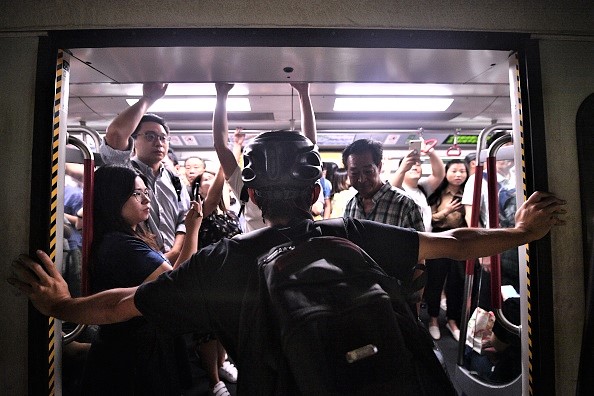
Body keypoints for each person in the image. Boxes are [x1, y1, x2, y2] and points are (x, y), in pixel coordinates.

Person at [9, 132, 566, 395]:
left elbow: (128, 303)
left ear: (250, 195)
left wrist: (62, 304)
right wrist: (520, 232)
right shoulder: (350, 232)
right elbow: (452, 243)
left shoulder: (224, 262)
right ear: (316, 188)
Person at [76, 164, 202, 395]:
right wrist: (192, 230)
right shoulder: (123, 246)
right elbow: (177, 284)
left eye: (147, 193)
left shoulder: (123, 239)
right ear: (114, 198)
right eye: (137, 194)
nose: (146, 200)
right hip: (137, 354)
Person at [99, 82, 191, 264]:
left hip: (173, 262)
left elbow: (184, 217)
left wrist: (175, 251)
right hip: (136, 261)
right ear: (134, 140)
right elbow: (116, 133)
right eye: (150, 136)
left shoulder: (174, 179)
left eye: (163, 138)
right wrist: (148, 99)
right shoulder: (125, 172)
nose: (159, 143)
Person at [213, 82, 317, 231]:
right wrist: (303, 93)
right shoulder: (298, 184)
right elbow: (310, 144)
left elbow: (221, 147)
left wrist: (221, 95)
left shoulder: (248, 187)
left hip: (257, 253)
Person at [424, 159, 469, 341]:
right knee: (435, 281)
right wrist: (447, 211)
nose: (458, 175)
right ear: (446, 173)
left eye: (462, 171)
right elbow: (429, 219)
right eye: (454, 171)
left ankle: (452, 321)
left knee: (457, 283)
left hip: (461, 242)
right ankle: (433, 319)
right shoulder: (436, 194)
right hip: (438, 239)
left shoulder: (468, 194)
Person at [342, 138, 424, 231]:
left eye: (368, 171)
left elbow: (422, 244)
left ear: (379, 167)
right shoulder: (350, 206)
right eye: (354, 173)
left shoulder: (405, 205)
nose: (362, 179)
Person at [391, 143, 445, 232]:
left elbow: (439, 175)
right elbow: (392, 189)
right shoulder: (400, 189)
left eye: (418, 164)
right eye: (411, 165)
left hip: (425, 238)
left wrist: (431, 153)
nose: (415, 167)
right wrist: (403, 167)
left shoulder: (422, 188)